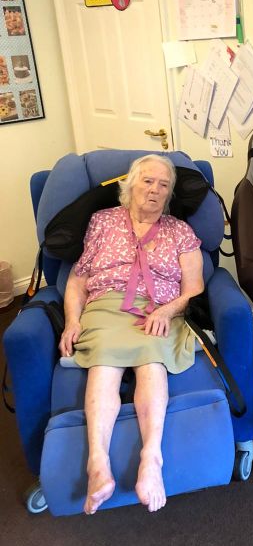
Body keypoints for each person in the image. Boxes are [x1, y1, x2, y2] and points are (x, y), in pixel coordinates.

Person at [58, 155, 203, 514]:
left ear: (169, 194)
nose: (155, 190)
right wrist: (72, 321)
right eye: (148, 181)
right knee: (103, 365)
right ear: (130, 184)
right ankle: (97, 464)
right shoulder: (102, 221)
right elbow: (77, 280)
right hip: (107, 305)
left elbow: (195, 288)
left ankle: (151, 460)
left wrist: (167, 311)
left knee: (152, 362)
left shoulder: (179, 231)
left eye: (163, 185)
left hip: (159, 309)